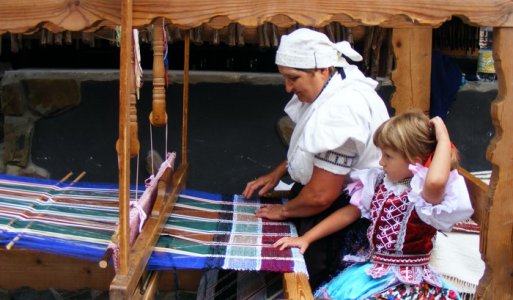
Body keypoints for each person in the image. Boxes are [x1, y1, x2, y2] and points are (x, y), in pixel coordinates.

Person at [242, 28, 390, 289]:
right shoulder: (336, 84)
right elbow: (320, 153)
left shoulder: (342, 108)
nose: (288, 87)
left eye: (293, 78)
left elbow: (322, 195)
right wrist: (281, 170)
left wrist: (284, 211)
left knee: (309, 280)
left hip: (341, 215)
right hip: (329, 203)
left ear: (322, 69)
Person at [273, 111, 474, 299]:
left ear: (415, 161)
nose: (381, 162)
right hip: (373, 270)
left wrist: (443, 136)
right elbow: (350, 212)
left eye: (388, 156)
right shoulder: (379, 183)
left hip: (405, 282)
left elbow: (436, 180)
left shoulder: (423, 195)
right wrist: (307, 238)